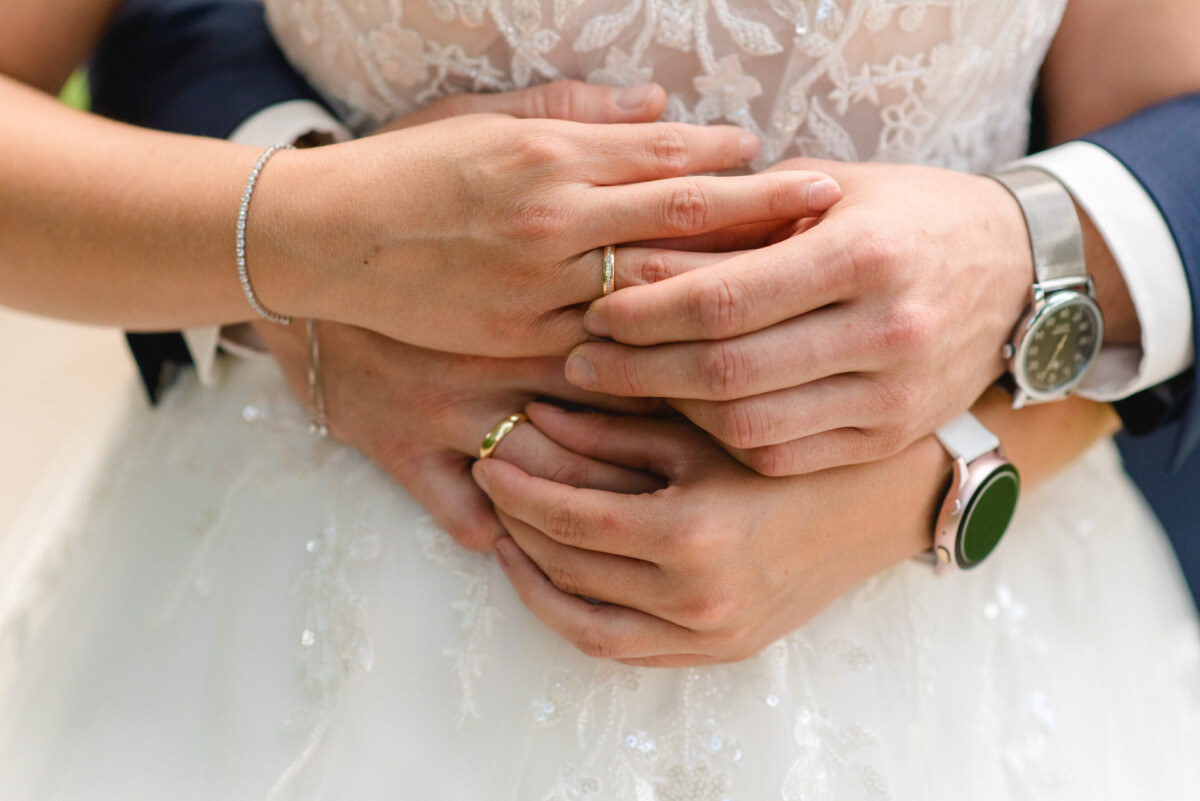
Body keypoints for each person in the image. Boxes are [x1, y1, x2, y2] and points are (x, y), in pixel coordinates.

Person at [1, 0, 1198, 799]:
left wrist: (952, 445)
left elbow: (1164, 127)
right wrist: (316, 247)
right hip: (308, 626)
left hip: (949, 667)